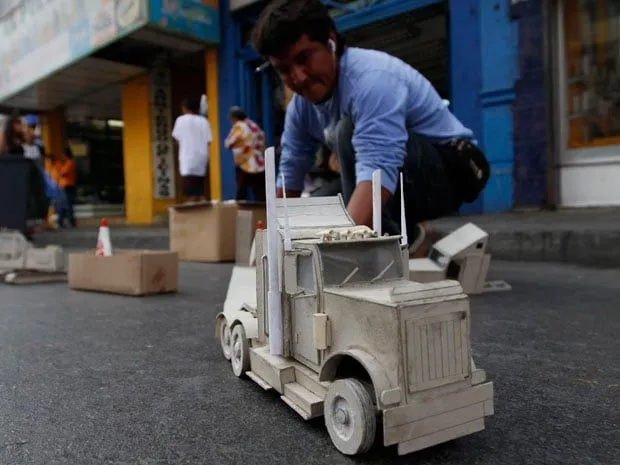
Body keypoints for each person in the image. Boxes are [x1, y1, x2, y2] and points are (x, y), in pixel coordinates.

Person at [252, 0, 490, 255]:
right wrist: (271, 246)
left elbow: (379, 165)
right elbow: (291, 169)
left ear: (330, 41)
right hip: (396, 177)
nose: (298, 77)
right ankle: (406, 235)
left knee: (348, 132)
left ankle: (399, 242)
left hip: (453, 172)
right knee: (320, 205)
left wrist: (337, 252)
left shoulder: (371, 79)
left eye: (304, 58)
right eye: (284, 70)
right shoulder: (300, 108)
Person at [172, 97, 213, 202]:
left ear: (185, 108)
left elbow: (176, 138)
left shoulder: (181, 120)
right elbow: (209, 140)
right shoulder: (204, 121)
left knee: (190, 186)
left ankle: (194, 205)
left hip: (187, 156)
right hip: (202, 157)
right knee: (198, 183)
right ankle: (198, 201)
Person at [224, 106, 266, 201]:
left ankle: (242, 215)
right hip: (258, 163)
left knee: (241, 194)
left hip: (245, 163)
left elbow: (229, 143)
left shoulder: (239, 126)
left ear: (234, 118)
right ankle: (262, 214)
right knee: (260, 193)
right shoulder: (253, 125)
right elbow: (262, 139)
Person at [52, 148, 78, 228]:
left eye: (63, 155)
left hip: (67, 186)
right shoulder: (63, 163)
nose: (61, 157)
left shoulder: (69, 163)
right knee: (61, 205)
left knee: (67, 205)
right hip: (62, 186)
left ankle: (71, 222)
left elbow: (63, 172)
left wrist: (58, 165)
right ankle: (61, 222)